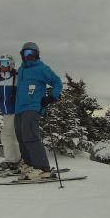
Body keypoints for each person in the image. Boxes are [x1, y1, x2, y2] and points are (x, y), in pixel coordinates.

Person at [15, 42, 63, 180]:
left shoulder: (41, 68)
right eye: (26, 53)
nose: (28, 56)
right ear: (22, 55)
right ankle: (30, 165)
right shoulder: (21, 69)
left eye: (31, 53)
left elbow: (57, 81)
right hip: (19, 108)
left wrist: (52, 97)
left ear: (36, 54)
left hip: (33, 106)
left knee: (30, 136)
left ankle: (43, 169)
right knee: (21, 137)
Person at [0, 54, 21, 172]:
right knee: (13, 136)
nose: (2, 65)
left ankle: (11, 161)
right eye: (1, 63)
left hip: (17, 111)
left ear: (11, 64)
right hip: (6, 113)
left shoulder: (18, 77)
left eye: (6, 63)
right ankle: (17, 160)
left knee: (6, 136)